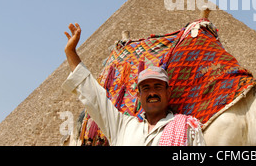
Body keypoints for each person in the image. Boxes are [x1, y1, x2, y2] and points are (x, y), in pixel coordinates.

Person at [62, 23, 206, 146]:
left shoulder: (187, 129)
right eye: (146, 88)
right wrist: (71, 53)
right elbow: (93, 96)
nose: (152, 93)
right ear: (138, 95)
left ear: (168, 93)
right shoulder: (123, 127)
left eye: (158, 87)